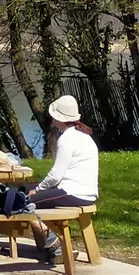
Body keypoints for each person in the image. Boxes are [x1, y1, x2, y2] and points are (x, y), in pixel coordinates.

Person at [28, 95, 100, 260]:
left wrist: (37, 190)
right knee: (28, 189)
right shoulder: (84, 136)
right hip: (87, 192)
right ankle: (49, 243)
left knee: (25, 202)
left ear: (58, 118)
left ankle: (55, 241)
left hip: (73, 192)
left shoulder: (66, 139)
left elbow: (55, 175)